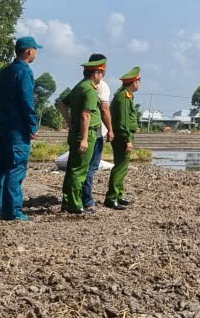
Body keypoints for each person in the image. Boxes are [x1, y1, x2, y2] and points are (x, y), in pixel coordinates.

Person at [0, 37, 41, 221]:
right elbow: (26, 100)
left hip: (3, 125)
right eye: (35, 50)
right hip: (18, 128)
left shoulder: (6, 70)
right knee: (16, 168)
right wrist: (32, 125)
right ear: (29, 51)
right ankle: (13, 211)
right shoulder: (24, 71)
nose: (36, 54)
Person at [57, 55, 105, 215]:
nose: (102, 76)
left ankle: (68, 202)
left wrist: (70, 122)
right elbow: (86, 115)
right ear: (96, 73)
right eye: (101, 73)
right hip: (86, 133)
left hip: (76, 131)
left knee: (73, 169)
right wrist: (84, 138)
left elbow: (62, 103)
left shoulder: (79, 86)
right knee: (79, 170)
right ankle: (74, 204)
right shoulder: (90, 89)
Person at [79, 52, 114, 212]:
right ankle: (87, 200)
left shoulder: (81, 84)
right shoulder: (102, 86)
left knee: (80, 168)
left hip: (82, 132)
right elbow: (105, 109)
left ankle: (75, 198)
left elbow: (63, 104)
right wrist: (111, 130)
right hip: (95, 133)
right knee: (90, 168)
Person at [104, 66, 140, 209]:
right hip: (122, 137)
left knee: (122, 167)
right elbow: (123, 122)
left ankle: (118, 194)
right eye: (138, 81)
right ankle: (112, 198)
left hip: (123, 136)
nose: (139, 84)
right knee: (120, 167)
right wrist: (128, 140)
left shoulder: (126, 95)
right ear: (134, 82)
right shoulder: (123, 97)